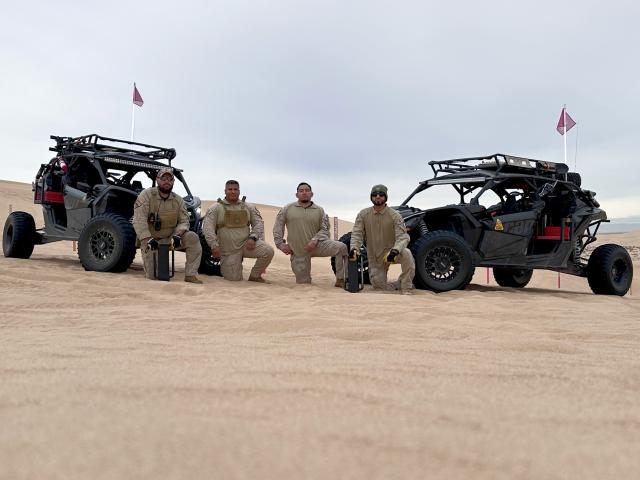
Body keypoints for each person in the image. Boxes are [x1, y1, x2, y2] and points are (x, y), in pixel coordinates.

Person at [132, 167, 203, 283]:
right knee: (154, 276)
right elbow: (138, 220)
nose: (167, 181)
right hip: (151, 242)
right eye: (163, 178)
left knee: (192, 237)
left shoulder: (178, 200)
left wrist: (178, 235)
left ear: (173, 182)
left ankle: (191, 275)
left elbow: (184, 221)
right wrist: (147, 239)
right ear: (157, 180)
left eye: (170, 179)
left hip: (170, 240)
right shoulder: (146, 195)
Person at [273, 182, 348, 286]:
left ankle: (341, 279)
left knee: (342, 247)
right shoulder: (287, 209)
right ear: (296, 194)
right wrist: (280, 244)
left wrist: (315, 240)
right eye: (301, 191)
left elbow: (325, 229)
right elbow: (278, 227)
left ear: (311, 194)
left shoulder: (319, 210)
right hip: (299, 251)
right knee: (303, 284)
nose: (304, 193)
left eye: (307, 190)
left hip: (318, 245)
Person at [202, 180, 273, 282]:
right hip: (228, 250)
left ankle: (255, 276)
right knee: (234, 280)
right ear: (225, 191)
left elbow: (258, 223)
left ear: (239, 191)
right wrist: (214, 246)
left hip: (247, 245)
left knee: (268, 251)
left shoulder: (248, 207)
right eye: (230, 189)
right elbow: (207, 229)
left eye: (235, 189)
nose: (233, 192)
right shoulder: (215, 208)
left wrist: (253, 237)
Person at [350, 184, 415, 294]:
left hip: (392, 252)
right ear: (371, 197)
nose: (378, 196)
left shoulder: (395, 215)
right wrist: (354, 248)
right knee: (378, 286)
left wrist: (395, 250)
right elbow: (357, 234)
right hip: (375, 257)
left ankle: (406, 287)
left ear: (385, 197)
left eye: (381, 194)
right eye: (375, 195)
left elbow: (403, 237)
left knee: (407, 254)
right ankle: (396, 285)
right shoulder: (363, 214)